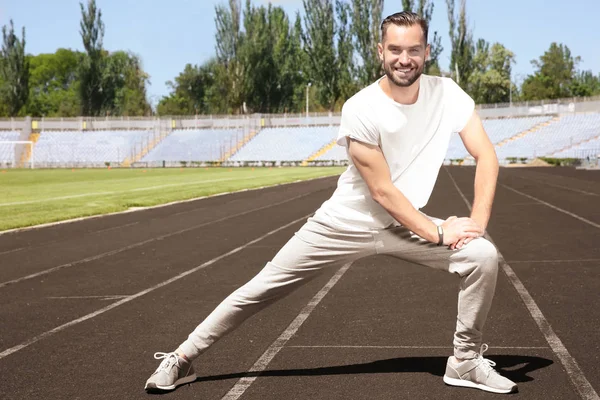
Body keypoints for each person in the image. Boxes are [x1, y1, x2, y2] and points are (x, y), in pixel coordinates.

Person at [145, 11, 517, 395]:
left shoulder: (448, 93)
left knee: (482, 256)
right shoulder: (361, 108)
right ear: (380, 52)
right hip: (344, 222)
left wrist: (476, 221)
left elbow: (485, 154)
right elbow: (382, 191)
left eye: (413, 49)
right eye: (394, 49)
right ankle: (182, 357)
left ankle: (465, 361)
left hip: (404, 224)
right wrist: (438, 232)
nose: (404, 59)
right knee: (259, 289)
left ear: (427, 51)